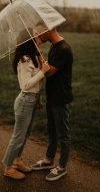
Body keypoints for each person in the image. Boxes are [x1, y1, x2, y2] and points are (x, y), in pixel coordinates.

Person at [2, 30, 50, 180]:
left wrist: (38, 98)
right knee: (18, 136)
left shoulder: (33, 56)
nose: (39, 35)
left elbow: (35, 84)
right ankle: (8, 168)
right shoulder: (24, 59)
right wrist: (42, 71)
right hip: (24, 101)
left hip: (32, 99)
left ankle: (17, 160)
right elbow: (25, 85)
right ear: (29, 39)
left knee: (25, 134)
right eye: (35, 34)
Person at [31, 28, 73, 181]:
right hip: (52, 96)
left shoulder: (63, 49)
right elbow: (46, 67)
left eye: (38, 32)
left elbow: (48, 72)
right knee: (52, 130)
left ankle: (61, 167)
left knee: (62, 133)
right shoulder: (54, 46)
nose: (37, 35)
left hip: (61, 98)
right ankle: (48, 160)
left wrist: (37, 50)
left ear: (48, 30)